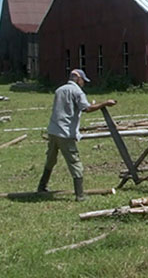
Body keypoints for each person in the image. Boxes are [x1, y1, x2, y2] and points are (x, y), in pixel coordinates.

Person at [37, 68, 117, 201]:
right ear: (78, 79)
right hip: (65, 133)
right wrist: (105, 103)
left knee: (50, 159)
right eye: (83, 81)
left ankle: (42, 186)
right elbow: (86, 108)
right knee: (75, 162)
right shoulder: (77, 91)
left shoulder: (59, 90)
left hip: (53, 131)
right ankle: (80, 195)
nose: (83, 83)